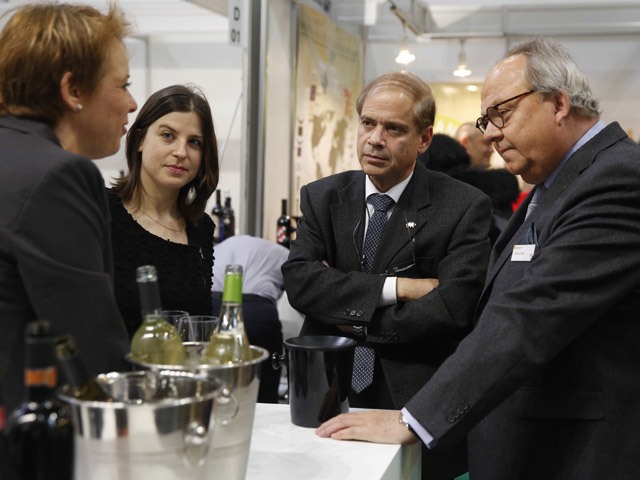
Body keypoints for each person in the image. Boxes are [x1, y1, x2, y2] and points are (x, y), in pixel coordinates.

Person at [316, 37, 640, 480]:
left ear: (559, 103)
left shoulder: (617, 179)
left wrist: (416, 417)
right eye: (485, 120)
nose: (489, 134)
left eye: (501, 114)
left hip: (573, 453)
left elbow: (530, 315)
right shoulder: (554, 185)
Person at [282, 71, 492, 479]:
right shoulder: (323, 197)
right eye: (368, 123)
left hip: (411, 400)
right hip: (327, 389)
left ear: (424, 139)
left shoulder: (463, 206)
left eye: (394, 128)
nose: (375, 139)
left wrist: (347, 310)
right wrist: (399, 288)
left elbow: (452, 308)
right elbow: (300, 282)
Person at [0, 3, 137, 413]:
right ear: (73, 90)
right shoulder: (57, 176)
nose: (132, 104)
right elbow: (89, 348)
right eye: (123, 84)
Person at [109, 84, 219, 337]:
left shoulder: (200, 227)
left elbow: (199, 323)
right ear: (139, 140)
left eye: (194, 142)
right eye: (168, 136)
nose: (181, 152)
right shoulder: (103, 210)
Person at [212, 235, 289, 403]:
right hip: (258, 310)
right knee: (264, 384)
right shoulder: (285, 254)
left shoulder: (224, 245)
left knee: (216, 378)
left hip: (215, 306)